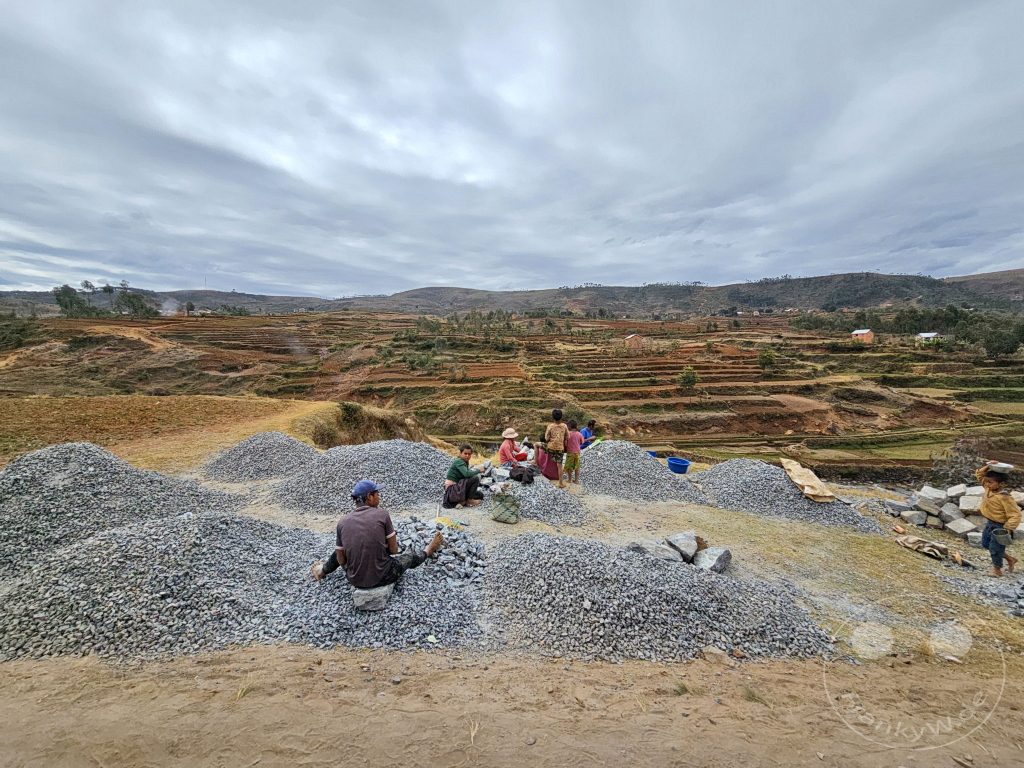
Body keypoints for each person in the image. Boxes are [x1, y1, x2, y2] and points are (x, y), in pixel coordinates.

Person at [311, 479, 444, 587]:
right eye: (377, 494)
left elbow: (341, 560)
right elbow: (394, 550)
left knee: (340, 550)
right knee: (409, 558)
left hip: (354, 580)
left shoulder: (342, 522)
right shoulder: (382, 514)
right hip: (383, 577)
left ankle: (322, 571)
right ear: (369, 496)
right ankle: (429, 549)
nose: (379, 497)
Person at [976, 463, 1021, 578]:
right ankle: (1010, 559)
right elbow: (980, 475)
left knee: (995, 549)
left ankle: (997, 570)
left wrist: (1009, 527)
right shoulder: (988, 489)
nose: (987, 484)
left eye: (990, 482)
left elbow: (1015, 514)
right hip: (989, 523)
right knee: (986, 544)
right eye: (986, 482)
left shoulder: (1005, 498)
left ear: (1001, 484)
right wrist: (988, 465)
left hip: (1000, 526)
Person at [444, 444, 486, 508]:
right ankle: (469, 501)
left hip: (458, 487)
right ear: (461, 453)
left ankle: (462, 501)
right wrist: (478, 471)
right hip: (452, 489)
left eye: (469, 454)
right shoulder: (459, 461)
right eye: (465, 453)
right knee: (475, 478)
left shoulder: (464, 461)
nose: (467, 456)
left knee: (479, 495)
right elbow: (466, 474)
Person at [544, 408, 570, 488]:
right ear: (561, 417)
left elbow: (546, 438)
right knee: (559, 465)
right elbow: (568, 437)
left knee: (536, 445)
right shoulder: (564, 426)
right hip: (559, 448)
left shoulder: (550, 426)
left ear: (553, 417)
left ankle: (535, 462)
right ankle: (560, 483)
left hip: (550, 447)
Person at [564, 419, 583, 484]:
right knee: (577, 467)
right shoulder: (579, 434)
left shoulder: (568, 434)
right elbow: (582, 442)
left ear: (569, 426)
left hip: (570, 452)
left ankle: (569, 479)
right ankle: (576, 480)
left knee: (569, 467)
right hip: (577, 453)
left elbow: (565, 444)